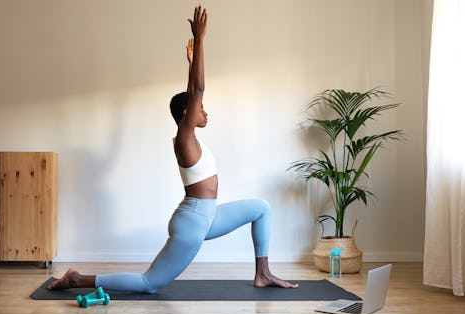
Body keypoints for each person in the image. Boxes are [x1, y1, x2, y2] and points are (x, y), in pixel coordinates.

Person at [48, 6, 298, 293]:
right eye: (199, 110)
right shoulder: (184, 139)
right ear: (186, 115)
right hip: (192, 222)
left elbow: (191, 93)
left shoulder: (190, 137)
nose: (205, 113)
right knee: (149, 284)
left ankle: (263, 273)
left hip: (208, 216)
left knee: (261, 208)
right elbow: (197, 92)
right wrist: (201, 41)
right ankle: (77, 279)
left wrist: (191, 63)